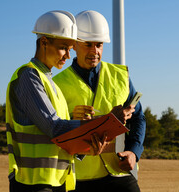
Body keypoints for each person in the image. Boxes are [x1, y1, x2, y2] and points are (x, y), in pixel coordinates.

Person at [5, 10, 109, 192]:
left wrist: (87, 147)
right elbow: (54, 128)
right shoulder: (29, 76)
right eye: (63, 48)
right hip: (33, 183)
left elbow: (61, 139)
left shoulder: (51, 84)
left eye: (70, 49)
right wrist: (98, 126)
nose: (68, 56)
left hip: (55, 182)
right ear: (44, 42)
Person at [53, 10, 146, 192]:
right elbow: (53, 131)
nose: (95, 51)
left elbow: (138, 118)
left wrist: (134, 152)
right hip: (79, 178)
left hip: (119, 173)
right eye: (88, 44)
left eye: (99, 45)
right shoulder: (57, 85)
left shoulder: (120, 77)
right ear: (74, 45)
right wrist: (73, 120)